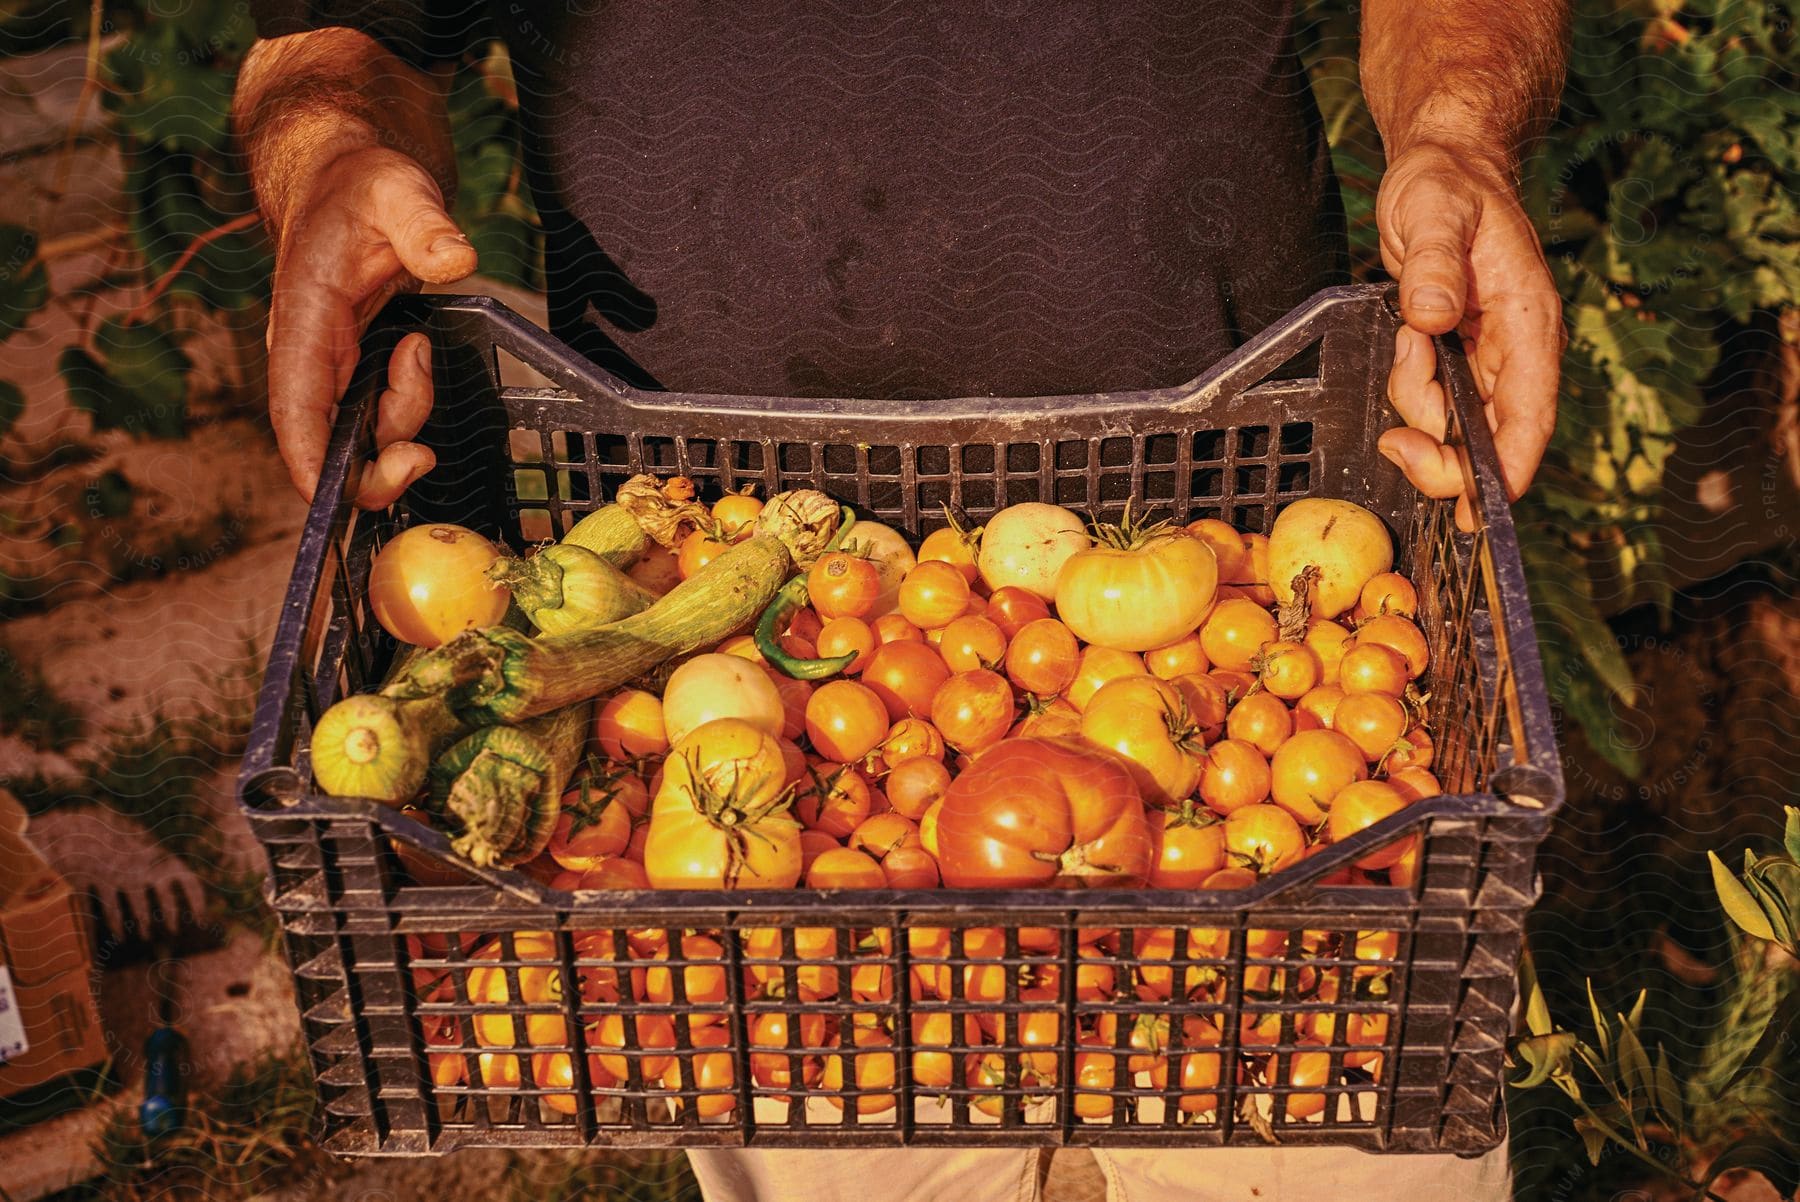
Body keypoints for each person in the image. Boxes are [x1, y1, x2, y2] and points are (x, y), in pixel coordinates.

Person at [234, 4, 1566, 1199]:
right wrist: (330, 155)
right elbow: (341, 32)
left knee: (1313, 1097)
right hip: (726, 582)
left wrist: (1457, 133)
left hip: (1239, 527)